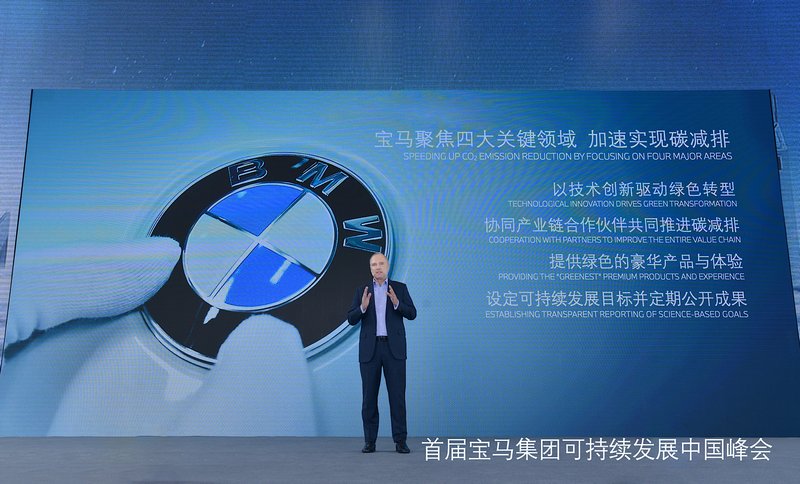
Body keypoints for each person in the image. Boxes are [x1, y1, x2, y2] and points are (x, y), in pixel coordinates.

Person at [347, 252, 417, 454]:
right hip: (370, 350)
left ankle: (400, 441)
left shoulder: (400, 288)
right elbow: (351, 318)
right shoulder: (362, 290)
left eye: (381, 264)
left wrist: (397, 303)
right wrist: (362, 307)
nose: (378, 267)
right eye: (374, 264)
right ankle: (370, 441)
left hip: (394, 350)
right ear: (370, 268)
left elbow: (412, 313)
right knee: (369, 398)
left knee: (397, 397)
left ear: (387, 266)